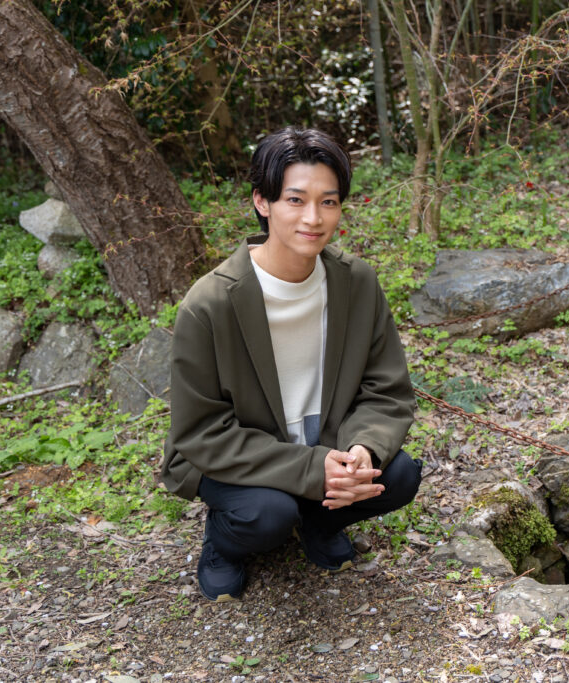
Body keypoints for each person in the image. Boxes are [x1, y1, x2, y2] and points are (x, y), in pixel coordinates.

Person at [161, 127, 419, 602]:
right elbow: (201, 433)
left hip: (325, 439)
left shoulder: (356, 282)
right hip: (240, 456)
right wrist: (312, 467)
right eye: (296, 200)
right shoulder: (211, 303)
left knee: (397, 475)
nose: (314, 218)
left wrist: (363, 449)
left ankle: (320, 522)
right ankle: (223, 545)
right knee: (266, 514)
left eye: (329, 202)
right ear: (263, 202)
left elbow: (386, 389)